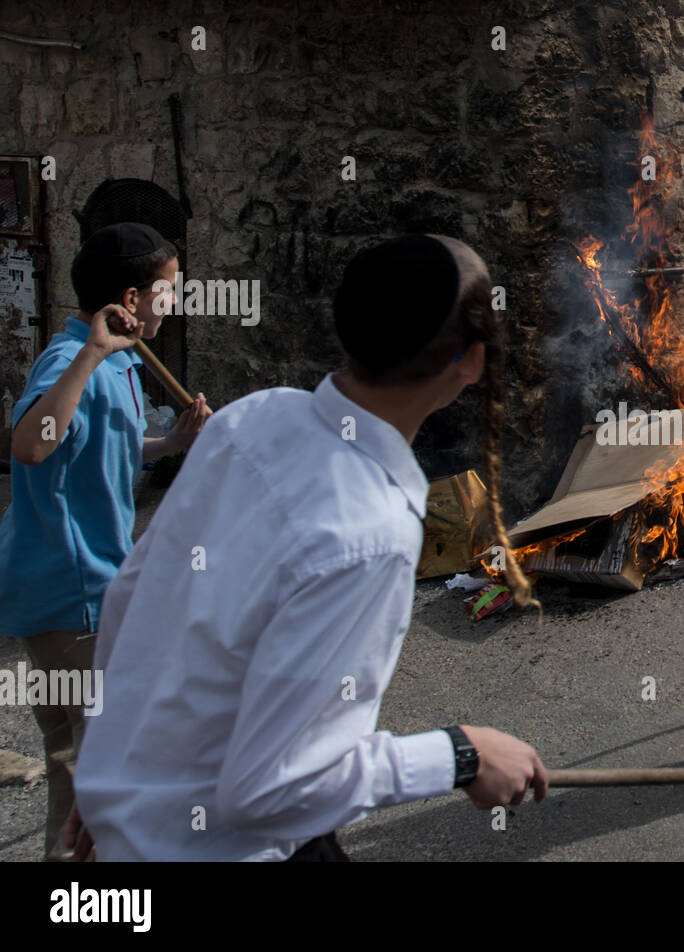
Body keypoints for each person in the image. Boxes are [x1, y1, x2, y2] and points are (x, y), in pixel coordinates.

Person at [70, 234, 547, 861]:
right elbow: (271, 787)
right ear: (473, 361)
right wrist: (462, 754)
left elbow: (134, 598)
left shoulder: (252, 419)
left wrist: (105, 768)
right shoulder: (369, 531)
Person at [0, 222, 210, 860]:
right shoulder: (73, 361)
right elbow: (32, 445)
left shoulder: (120, 362)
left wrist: (170, 443)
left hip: (79, 592)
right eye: (167, 292)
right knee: (101, 779)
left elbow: (105, 447)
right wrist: (91, 354)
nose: (173, 304)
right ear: (130, 296)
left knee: (74, 765)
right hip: (75, 597)